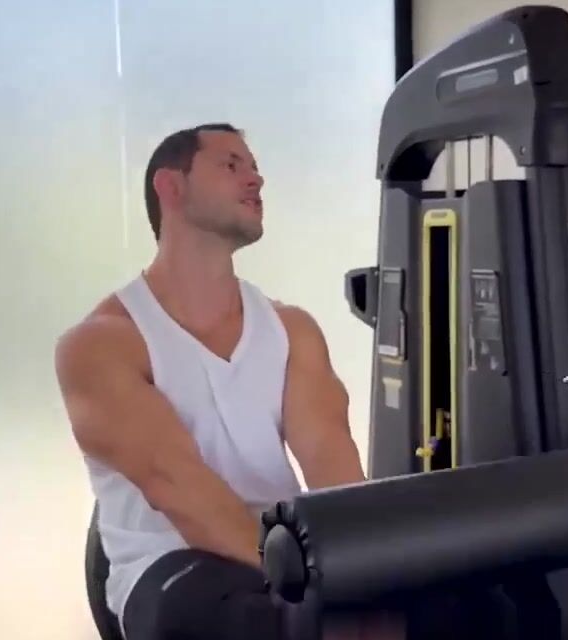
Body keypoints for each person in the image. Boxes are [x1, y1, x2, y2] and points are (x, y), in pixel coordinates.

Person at [55, 123, 402, 640]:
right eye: (232, 165)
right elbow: (177, 488)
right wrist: (308, 583)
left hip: (291, 550)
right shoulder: (101, 344)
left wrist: (373, 574)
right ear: (171, 186)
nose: (255, 179)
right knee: (262, 625)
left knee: (458, 604)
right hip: (170, 562)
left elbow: (333, 466)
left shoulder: (292, 330)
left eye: (255, 168)